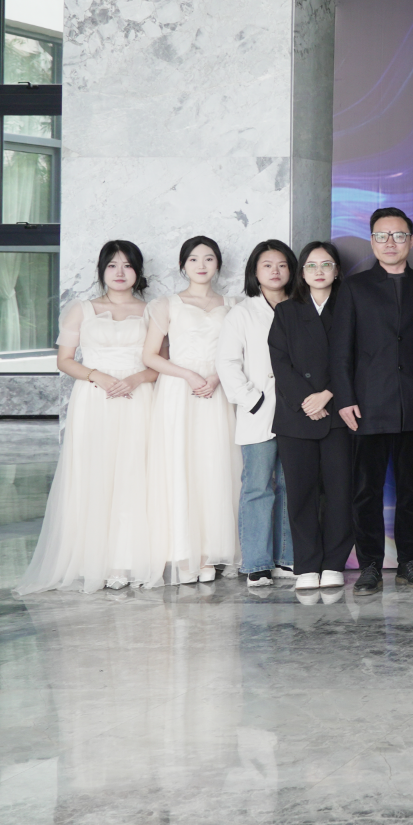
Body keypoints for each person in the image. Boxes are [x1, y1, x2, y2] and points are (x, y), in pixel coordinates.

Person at [19, 241, 160, 594]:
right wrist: (99, 377)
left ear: (138, 272)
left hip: (138, 398)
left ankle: (126, 560)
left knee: (134, 473)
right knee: (94, 474)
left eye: (127, 266)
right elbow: (64, 360)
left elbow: (161, 364)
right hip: (94, 399)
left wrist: (134, 379)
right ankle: (93, 559)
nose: (120, 272)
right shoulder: (81, 310)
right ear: (101, 270)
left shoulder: (152, 311)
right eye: (112, 265)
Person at [335, 206, 413, 595]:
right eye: (382, 235)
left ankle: (410, 562)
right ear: (372, 241)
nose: (390, 242)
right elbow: (340, 350)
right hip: (367, 405)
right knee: (366, 491)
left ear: (411, 240)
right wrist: (345, 398)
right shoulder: (354, 287)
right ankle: (370, 566)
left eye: (398, 235)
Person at [143, 235, 239, 585]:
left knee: (215, 466)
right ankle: (184, 553)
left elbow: (239, 352)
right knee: (180, 465)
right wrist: (188, 375)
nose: (201, 265)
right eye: (194, 259)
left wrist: (216, 378)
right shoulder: (166, 305)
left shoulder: (233, 304)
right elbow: (150, 356)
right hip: (178, 391)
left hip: (217, 391)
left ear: (218, 265)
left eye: (209, 258)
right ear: (183, 265)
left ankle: (212, 551)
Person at [270, 241, 354, 592]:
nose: (319, 271)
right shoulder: (286, 311)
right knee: (300, 493)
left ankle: (334, 562)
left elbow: (359, 357)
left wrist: (328, 394)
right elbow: (280, 362)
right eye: (311, 265)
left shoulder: (350, 306)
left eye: (326, 264)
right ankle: (306, 564)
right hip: (297, 415)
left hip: (339, 413)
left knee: (340, 492)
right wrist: (307, 399)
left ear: (337, 270)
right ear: (302, 273)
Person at [218, 239, 298, 588]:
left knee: (292, 485)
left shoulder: (301, 306)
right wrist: (253, 400)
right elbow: (227, 362)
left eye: (282, 264)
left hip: (297, 410)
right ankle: (257, 562)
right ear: (255, 271)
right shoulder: (242, 313)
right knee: (257, 485)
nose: (275, 271)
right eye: (267, 265)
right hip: (260, 409)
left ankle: (286, 558)